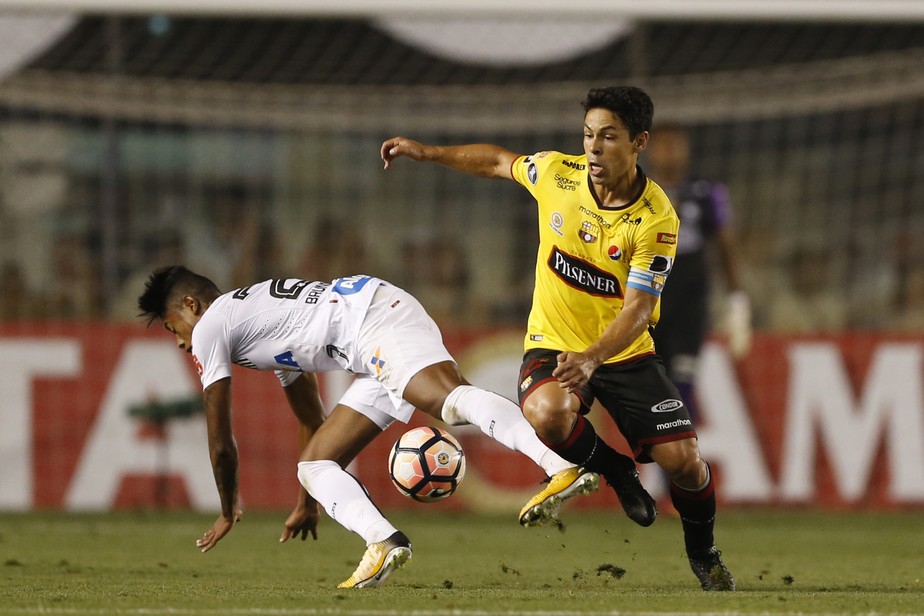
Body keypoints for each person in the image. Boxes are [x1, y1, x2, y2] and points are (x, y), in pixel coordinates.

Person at [380, 86, 735, 591]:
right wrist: (428, 152)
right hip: (552, 343)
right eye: (588, 135)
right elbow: (498, 162)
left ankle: (704, 554)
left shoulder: (656, 218)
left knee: (687, 465)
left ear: (639, 143)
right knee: (546, 413)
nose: (593, 147)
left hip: (624, 355)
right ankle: (619, 474)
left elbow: (637, 309)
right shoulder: (557, 174)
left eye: (608, 137)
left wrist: (592, 358)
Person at [137, 266, 598, 589]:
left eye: (172, 325)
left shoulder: (211, 326)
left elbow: (220, 441)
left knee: (450, 402)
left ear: (191, 305)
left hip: (373, 321)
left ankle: (560, 462)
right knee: (315, 466)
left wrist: (225, 508)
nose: (179, 340)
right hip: (370, 332)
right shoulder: (254, 322)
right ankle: (383, 541)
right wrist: (309, 503)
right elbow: (310, 419)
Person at [645, 125, 751, 407]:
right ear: (650, 150)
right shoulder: (637, 191)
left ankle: (684, 444)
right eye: (664, 144)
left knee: (683, 378)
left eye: (676, 144)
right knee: (652, 383)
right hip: (647, 295)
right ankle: (652, 449)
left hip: (690, 297)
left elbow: (725, 244)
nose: (670, 152)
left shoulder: (707, 191)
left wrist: (737, 302)